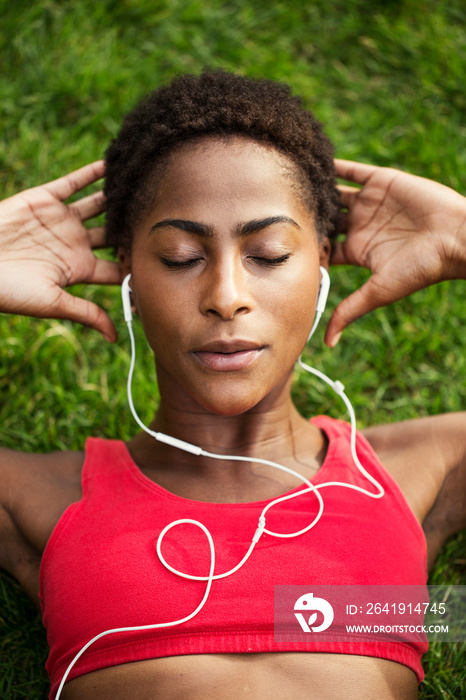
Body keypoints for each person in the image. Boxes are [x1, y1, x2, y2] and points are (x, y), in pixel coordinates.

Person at [0, 70, 464, 700]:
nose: (226, 297)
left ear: (322, 262)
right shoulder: (50, 495)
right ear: (129, 270)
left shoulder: (409, 472)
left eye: (269, 254)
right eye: (180, 258)